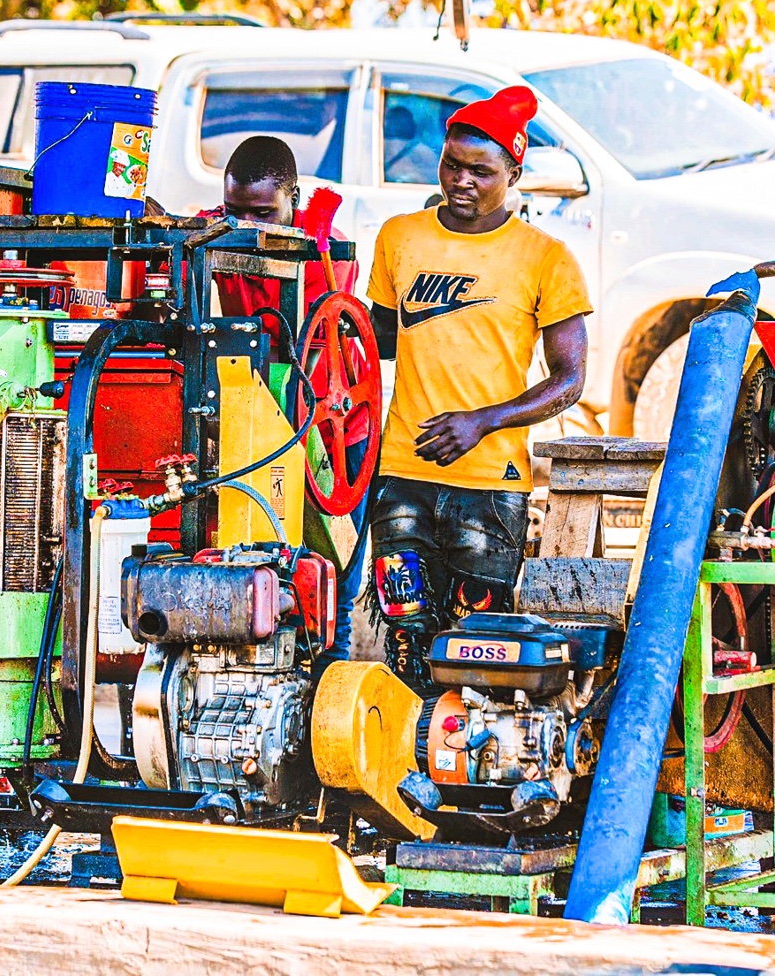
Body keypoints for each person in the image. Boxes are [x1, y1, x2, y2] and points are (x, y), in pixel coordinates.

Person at [366, 86, 591, 690]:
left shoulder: (546, 258)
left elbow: (569, 382)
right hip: (402, 477)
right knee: (408, 645)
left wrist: (481, 421)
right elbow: (374, 342)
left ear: (514, 173)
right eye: (452, 165)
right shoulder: (399, 238)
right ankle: (403, 768)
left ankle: (466, 770)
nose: (461, 181)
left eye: (481, 172)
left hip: (490, 490)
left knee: (475, 652)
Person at [206, 136, 369, 675]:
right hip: (258, 422)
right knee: (258, 576)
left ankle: (328, 709)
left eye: (262, 212)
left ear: (293, 197)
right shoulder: (221, 235)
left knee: (332, 585)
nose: (249, 225)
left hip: (335, 434)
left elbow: (310, 341)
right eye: (234, 211)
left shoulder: (326, 253)